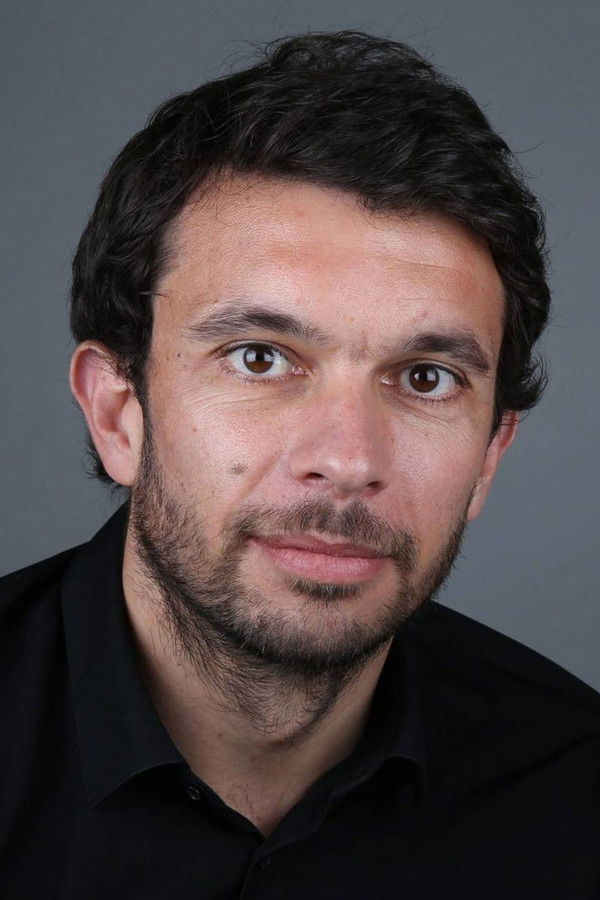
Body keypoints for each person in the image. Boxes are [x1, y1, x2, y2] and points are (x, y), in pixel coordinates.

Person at [1, 30, 599, 898]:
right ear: (117, 412)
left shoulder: (575, 789)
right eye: (260, 359)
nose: (348, 460)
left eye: (425, 378)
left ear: (489, 456)